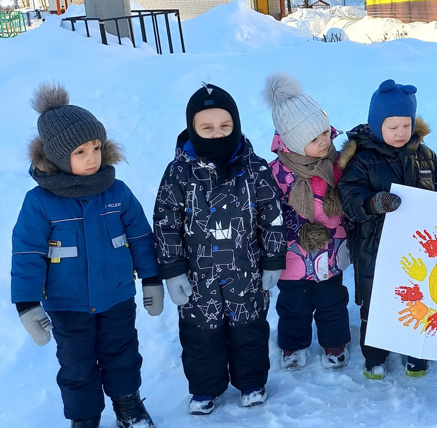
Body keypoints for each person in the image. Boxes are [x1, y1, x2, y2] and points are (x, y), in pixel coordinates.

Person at [11, 83, 161, 428]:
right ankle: (85, 417)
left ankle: (129, 406)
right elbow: (28, 254)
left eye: (96, 147)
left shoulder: (117, 192)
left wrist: (151, 278)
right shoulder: (40, 202)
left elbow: (140, 237)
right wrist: (27, 303)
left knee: (122, 356)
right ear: (59, 157)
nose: (92, 157)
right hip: (68, 305)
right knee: (77, 366)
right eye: (80, 152)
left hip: (117, 298)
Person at [152, 83, 286, 415]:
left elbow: (272, 218)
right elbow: (165, 223)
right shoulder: (179, 173)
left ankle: (252, 383)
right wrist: (172, 271)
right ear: (192, 128)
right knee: (201, 338)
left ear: (236, 125)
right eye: (207, 128)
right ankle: (205, 389)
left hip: (246, 273)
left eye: (225, 126)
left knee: (249, 332)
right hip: (199, 280)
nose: (217, 134)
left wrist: (273, 259)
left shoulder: (255, 169)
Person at [338, 79, 437, 379]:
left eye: (405, 125)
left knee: (419, 298)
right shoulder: (363, 159)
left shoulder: (426, 157)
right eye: (392, 126)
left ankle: (416, 352)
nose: (400, 133)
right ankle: (376, 355)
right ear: (376, 125)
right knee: (378, 303)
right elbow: (348, 196)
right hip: (376, 246)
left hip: (419, 247)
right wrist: (373, 202)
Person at [263, 72, 352, 371]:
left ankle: (334, 343)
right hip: (294, 256)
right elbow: (268, 211)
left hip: (331, 251)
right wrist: (298, 227)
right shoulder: (277, 173)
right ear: (295, 143)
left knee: (332, 302)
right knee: (293, 306)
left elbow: (350, 193)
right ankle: (293, 345)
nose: (325, 140)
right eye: (315, 139)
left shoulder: (337, 164)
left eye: (325, 132)